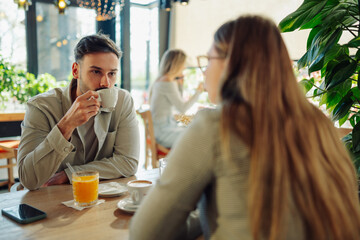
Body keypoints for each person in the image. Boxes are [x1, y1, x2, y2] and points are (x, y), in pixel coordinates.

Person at [130, 15, 360, 240]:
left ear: (231, 63)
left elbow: (146, 232)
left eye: (208, 60)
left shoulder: (214, 125)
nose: (205, 71)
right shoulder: (320, 124)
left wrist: (195, 211)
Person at [17, 34, 140, 190]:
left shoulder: (123, 101)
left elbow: (128, 162)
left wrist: (71, 174)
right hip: (50, 197)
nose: (105, 83)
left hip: (100, 196)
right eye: (96, 72)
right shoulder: (41, 107)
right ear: (76, 71)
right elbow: (28, 178)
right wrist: (66, 125)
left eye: (112, 74)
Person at [150, 49, 203, 148]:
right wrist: (199, 91)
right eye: (183, 64)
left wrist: (180, 85)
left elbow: (178, 104)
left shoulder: (162, 80)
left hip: (161, 129)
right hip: (163, 132)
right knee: (197, 137)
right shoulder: (167, 82)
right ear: (177, 65)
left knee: (191, 129)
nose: (184, 67)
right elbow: (182, 108)